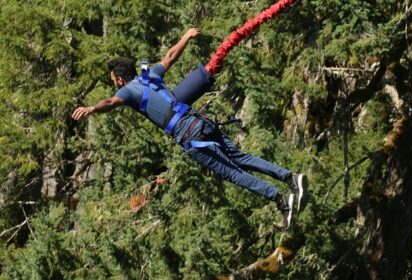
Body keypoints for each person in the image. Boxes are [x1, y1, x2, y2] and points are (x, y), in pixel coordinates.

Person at [72, 28, 308, 229]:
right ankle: (290, 178)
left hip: (187, 133)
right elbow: (170, 56)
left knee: (232, 172)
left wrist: (92, 108)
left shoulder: (127, 91)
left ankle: (282, 200)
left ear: (120, 80)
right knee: (240, 157)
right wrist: (186, 37)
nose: (114, 85)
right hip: (199, 120)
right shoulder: (149, 75)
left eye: (113, 81)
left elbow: (111, 103)